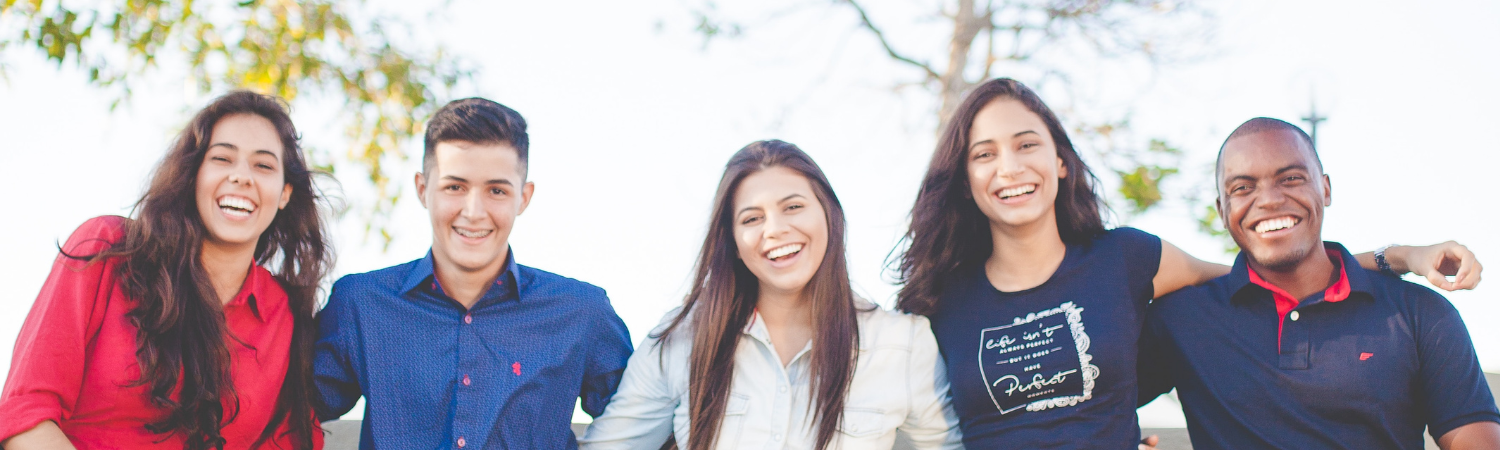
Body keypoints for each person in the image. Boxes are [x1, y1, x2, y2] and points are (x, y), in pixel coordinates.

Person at [890, 78, 1482, 449]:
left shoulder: (1128, 259)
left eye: (1026, 144)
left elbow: (1282, 271)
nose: (1010, 167)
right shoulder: (942, 300)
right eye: (985, 153)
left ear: (1062, 161)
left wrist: (1397, 257)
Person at [1136, 118, 1500, 449]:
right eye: (1243, 187)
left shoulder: (1419, 312)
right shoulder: (1180, 319)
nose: (1270, 200)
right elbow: (1087, 401)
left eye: (1290, 178)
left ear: (1325, 189)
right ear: (1222, 210)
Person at [579, 140, 962, 450]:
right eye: (752, 218)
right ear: (732, 241)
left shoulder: (903, 344)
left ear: (829, 214)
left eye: (793, 207)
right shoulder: (684, 338)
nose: (775, 229)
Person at [0, 91, 330, 449]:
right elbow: (26, 417)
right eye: (222, 158)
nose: (241, 177)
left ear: (284, 194)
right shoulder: (107, 250)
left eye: (263, 166)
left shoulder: (285, 315)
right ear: (193, 175)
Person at [312, 97, 633, 449]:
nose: (474, 211)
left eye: (496, 190)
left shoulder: (582, 312)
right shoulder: (361, 304)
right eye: (455, 187)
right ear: (423, 189)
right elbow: (286, 408)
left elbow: (644, 420)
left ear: (523, 198)